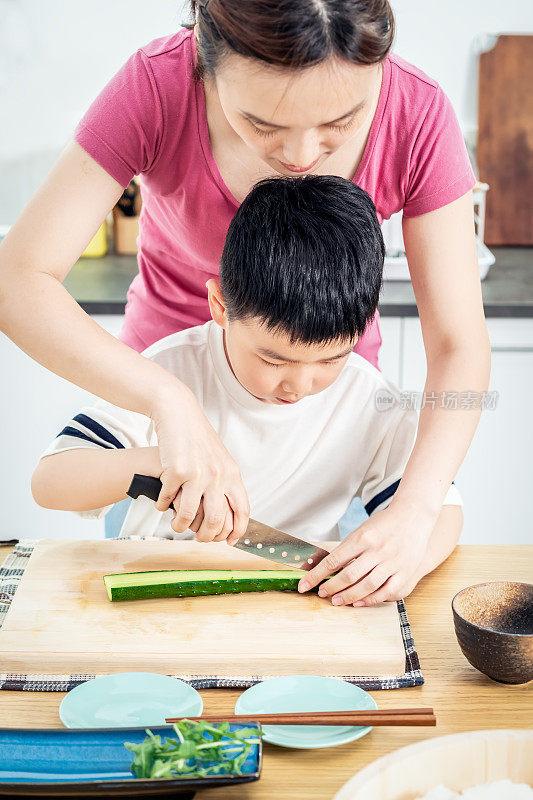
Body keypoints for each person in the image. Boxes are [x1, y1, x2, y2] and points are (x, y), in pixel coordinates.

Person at [0, 1, 488, 604]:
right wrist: (168, 402)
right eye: (263, 125)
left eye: (342, 121)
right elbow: (18, 280)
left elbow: (459, 344)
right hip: (155, 386)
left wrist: (416, 512)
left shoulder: (350, 400)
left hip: (317, 429)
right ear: (206, 59)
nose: (304, 157)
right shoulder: (158, 86)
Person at [31, 176, 463, 605]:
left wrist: (408, 557)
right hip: (157, 598)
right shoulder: (168, 372)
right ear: (220, 306)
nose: (298, 385)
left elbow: (444, 509)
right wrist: (163, 463)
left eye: (331, 359)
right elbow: (50, 482)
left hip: (296, 609)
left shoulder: (366, 400)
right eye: (274, 360)